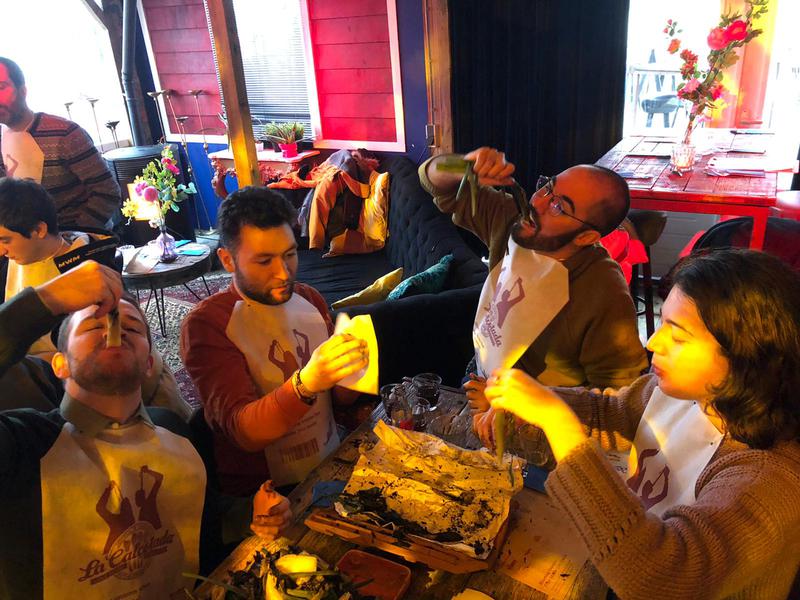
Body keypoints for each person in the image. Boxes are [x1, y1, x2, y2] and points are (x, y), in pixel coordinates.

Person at [484, 249, 800, 599]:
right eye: (663, 323)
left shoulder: (768, 480)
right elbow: (613, 416)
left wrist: (558, 423)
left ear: (748, 357)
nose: (652, 343)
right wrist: (531, 404)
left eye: (678, 337)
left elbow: (662, 577)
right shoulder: (689, 390)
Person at [0, 260, 293, 599]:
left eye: (134, 329)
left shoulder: (178, 434)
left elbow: (200, 521)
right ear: (60, 364)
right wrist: (44, 300)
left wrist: (250, 515)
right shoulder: (22, 444)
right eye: (94, 326)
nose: (116, 330)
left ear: (150, 363)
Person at [181, 186, 368, 496]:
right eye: (264, 261)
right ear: (228, 261)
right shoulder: (207, 325)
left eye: (290, 255)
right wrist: (307, 382)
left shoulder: (309, 298)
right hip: (261, 494)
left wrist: (353, 368)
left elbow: (338, 400)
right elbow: (244, 433)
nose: (283, 273)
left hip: (327, 460)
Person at [0, 177, 192, 419]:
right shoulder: (18, 259)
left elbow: (108, 353)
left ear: (39, 230)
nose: (1, 251)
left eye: (5, 240)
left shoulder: (85, 273)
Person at [0, 57, 120, 229]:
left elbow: (107, 192)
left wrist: (74, 236)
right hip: (22, 247)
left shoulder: (64, 134)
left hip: (76, 243)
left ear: (23, 90)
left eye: (1, 87)